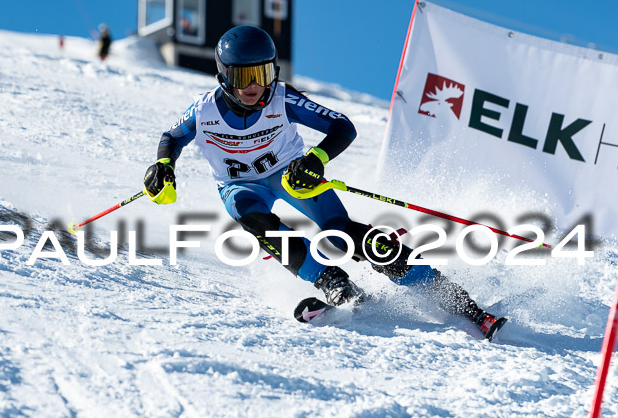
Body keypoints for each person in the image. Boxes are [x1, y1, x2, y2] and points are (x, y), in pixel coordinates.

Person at [143, 26, 506, 340]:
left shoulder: (282, 98)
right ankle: (332, 281)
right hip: (242, 186)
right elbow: (172, 137)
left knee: (340, 232)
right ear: (224, 77)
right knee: (255, 220)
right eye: (243, 77)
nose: (255, 86)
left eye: (263, 73)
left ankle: (451, 296)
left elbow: (343, 127)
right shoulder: (203, 110)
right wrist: (163, 165)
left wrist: (315, 159)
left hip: (290, 175)